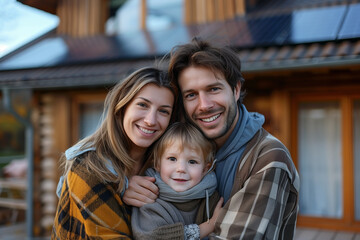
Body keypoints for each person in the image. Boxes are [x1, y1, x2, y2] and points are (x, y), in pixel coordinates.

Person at [123, 38, 300, 239]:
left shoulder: (267, 158)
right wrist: (132, 185)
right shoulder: (183, 141)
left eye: (213, 89)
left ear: (236, 89)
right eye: (191, 95)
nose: (204, 105)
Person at [52, 67, 178, 239]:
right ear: (122, 106)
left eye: (163, 111)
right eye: (142, 105)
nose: (151, 120)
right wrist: (119, 188)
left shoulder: (164, 167)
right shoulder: (88, 167)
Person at [131, 122, 223, 240]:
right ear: (158, 164)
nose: (181, 169)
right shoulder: (149, 198)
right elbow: (149, 237)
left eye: (192, 161)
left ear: (205, 169)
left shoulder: (211, 198)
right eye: (172, 159)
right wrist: (206, 228)